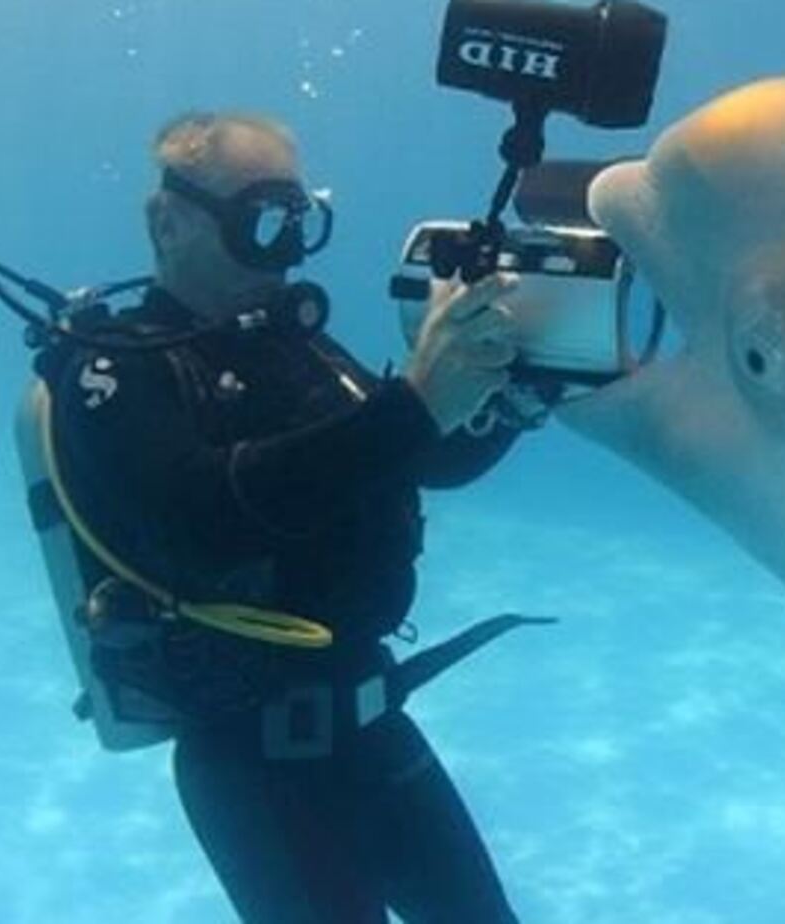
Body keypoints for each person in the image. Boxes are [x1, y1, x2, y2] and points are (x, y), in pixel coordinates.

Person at [50, 112, 531, 923]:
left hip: (370, 725)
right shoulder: (115, 371)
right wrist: (417, 404)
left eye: (299, 223)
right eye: (258, 220)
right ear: (167, 222)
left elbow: (419, 457)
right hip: (250, 768)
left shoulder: (290, 344)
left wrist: (510, 396)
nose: (284, 250)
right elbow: (203, 518)